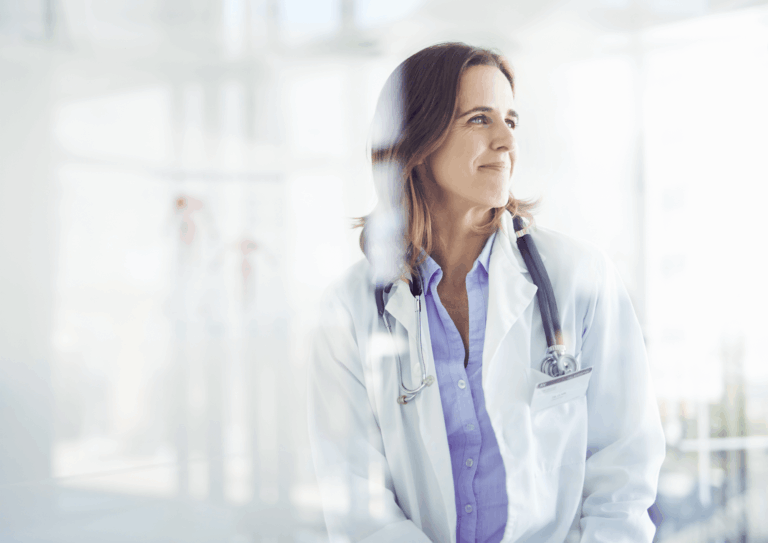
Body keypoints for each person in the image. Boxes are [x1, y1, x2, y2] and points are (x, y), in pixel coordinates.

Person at [307, 42, 665, 543]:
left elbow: (624, 470)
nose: (506, 142)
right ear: (417, 139)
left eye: (511, 121)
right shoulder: (348, 311)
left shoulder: (580, 277)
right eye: (479, 119)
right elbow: (359, 507)